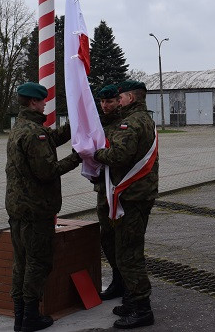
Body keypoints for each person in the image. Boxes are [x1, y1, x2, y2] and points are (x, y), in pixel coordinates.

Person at [6, 82, 80, 332]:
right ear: (32, 102)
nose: (46, 103)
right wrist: (77, 157)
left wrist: (76, 124)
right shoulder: (33, 133)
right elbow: (47, 171)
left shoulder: (21, 128)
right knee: (37, 263)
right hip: (35, 210)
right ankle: (30, 317)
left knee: (21, 262)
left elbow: (52, 138)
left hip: (18, 209)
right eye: (43, 100)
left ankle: (20, 317)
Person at [94, 80, 159, 329]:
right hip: (136, 194)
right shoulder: (144, 118)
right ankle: (132, 300)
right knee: (125, 249)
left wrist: (94, 154)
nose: (117, 101)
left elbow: (119, 156)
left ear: (130, 98)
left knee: (129, 254)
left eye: (119, 97)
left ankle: (142, 309)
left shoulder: (130, 122)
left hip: (132, 196)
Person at [93, 84, 124, 300]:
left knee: (123, 238)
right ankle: (117, 279)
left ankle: (127, 282)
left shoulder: (124, 124)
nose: (105, 105)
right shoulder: (97, 124)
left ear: (118, 101)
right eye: (102, 102)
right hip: (103, 188)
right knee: (106, 236)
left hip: (121, 189)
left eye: (109, 101)